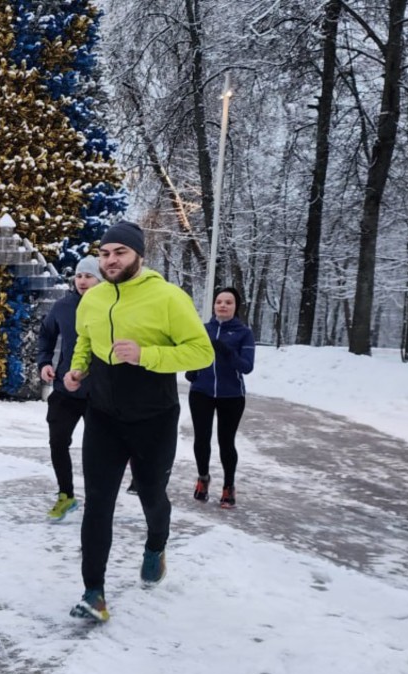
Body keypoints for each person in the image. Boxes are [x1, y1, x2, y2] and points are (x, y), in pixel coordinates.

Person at [62, 221, 213, 623]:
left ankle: (155, 545)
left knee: (150, 493)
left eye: (120, 253)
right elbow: (84, 339)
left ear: (139, 255)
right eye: (105, 253)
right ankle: (93, 592)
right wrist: (78, 370)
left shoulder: (168, 297)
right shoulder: (91, 300)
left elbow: (202, 353)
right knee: (98, 503)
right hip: (103, 413)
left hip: (153, 415)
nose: (111, 261)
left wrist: (147, 354)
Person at [36, 255, 101, 521]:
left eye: (89, 276)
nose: (83, 281)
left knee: (97, 448)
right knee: (58, 441)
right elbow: (46, 333)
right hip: (66, 388)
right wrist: (44, 362)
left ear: (100, 279)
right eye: (79, 276)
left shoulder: (110, 306)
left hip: (99, 391)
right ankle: (66, 494)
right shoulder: (63, 306)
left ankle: (98, 499)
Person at [186, 286, 256, 509]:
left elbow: (246, 367)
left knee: (226, 442)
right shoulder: (202, 329)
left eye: (228, 302)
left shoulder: (244, 333)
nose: (222, 305)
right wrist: (192, 370)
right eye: (219, 302)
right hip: (201, 392)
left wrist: (227, 351)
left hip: (231, 395)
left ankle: (228, 485)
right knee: (201, 439)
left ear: (235, 307)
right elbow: (192, 355)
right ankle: (203, 477)